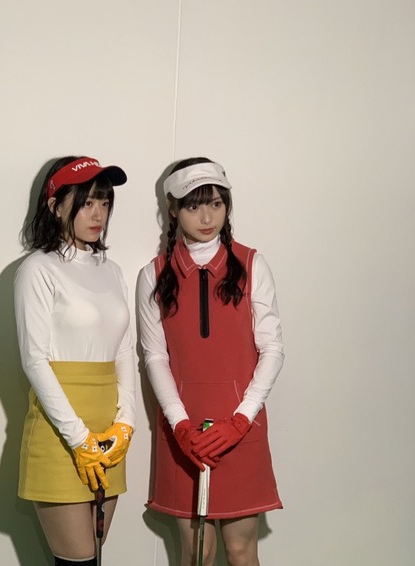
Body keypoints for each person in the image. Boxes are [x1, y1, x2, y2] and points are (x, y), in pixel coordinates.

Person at [138, 157, 284, 566]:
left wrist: (240, 420)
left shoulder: (252, 264)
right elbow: (155, 356)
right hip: (182, 434)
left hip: (241, 427)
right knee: (197, 553)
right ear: (173, 209)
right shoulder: (154, 274)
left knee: (241, 551)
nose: (207, 217)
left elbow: (272, 349)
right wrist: (180, 425)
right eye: (193, 206)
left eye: (216, 204)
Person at [14, 156, 136, 566]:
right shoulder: (38, 269)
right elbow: (35, 360)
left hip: (108, 430)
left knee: (95, 557)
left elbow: (124, 350)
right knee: (78, 560)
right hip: (60, 430)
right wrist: (79, 439)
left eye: (104, 201)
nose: (98, 213)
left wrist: (127, 422)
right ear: (55, 206)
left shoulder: (112, 271)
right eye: (85, 202)